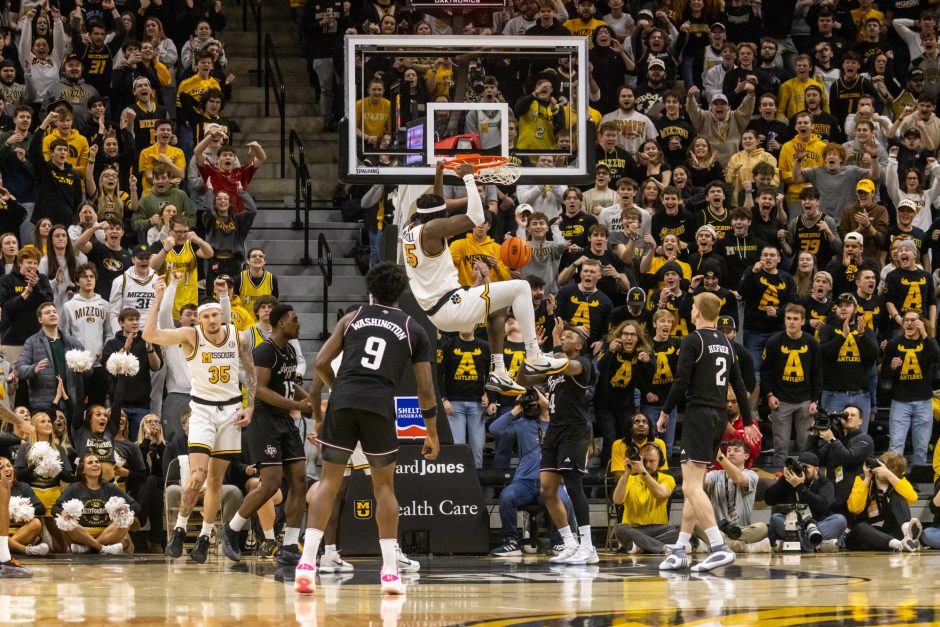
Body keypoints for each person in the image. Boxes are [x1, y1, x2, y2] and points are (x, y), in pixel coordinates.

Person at [294, 262, 439, 595]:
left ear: (371, 290)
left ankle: (306, 562)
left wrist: (339, 387)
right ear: (401, 291)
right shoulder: (413, 328)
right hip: (378, 404)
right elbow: (426, 391)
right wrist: (430, 431)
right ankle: (389, 571)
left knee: (329, 483)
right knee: (383, 488)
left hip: (344, 400)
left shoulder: (352, 317)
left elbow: (319, 364)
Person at [401, 161, 568, 396]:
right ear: (437, 219)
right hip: (452, 304)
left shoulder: (410, 228)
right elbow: (478, 217)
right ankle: (533, 356)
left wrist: (439, 175)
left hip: (439, 311)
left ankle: (499, 372)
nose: (446, 216)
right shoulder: (432, 230)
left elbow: (436, 206)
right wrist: (469, 178)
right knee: (521, 287)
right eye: (443, 215)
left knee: (498, 310)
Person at [142, 275, 256, 564]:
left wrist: (250, 406)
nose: (211, 319)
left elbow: (251, 371)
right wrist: (158, 297)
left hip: (230, 411)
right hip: (202, 410)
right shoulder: (190, 336)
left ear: (222, 314)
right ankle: (179, 528)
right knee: (197, 477)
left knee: (217, 480)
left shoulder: (237, 336)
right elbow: (149, 335)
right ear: (199, 321)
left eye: (216, 314)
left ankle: (204, 536)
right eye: (205, 316)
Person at [657, 292, 757, 572]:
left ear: (698, 311)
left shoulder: (693, 340)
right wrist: (748, 421)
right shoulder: (727, 342)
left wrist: (666, 411)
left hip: (700, 415)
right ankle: (680, 547)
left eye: (692, 307)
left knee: (689, 485)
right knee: (696, 485)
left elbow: (680, 381)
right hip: (718, 416)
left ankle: (718, 546)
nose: (690, 310)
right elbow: (739, 386)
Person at [219, 304, 312, 563]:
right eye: (294, 319)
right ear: (281, 322)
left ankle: (291, 545)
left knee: (300, 480)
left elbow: (289, 385)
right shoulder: (264, 351)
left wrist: (311, 403)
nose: (299, 323)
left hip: (284, 421)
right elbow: (258, 389)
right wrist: (297, 406)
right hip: (264, 422)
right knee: (270, 483)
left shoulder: (290, 351)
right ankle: (231, 529)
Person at [488, 388, 576, 556]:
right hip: (524, 482)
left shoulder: (559, 424)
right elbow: (495, 429)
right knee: (506, 497)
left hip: (551, 481)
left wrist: (542, 399)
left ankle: (559, 542)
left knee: (564, 502)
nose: (538, 399)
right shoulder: (521, 424)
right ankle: (511, 542)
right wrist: (518, 408)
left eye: (543, 396)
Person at [760, 304, 822, 466]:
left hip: (805, 399)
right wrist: (769, 395)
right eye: (788, 318)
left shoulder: (812, 343)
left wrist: (815, 400)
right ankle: (778, 479)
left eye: (795, 319)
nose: (791, 322)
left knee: (805, 445)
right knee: (780, 446)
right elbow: (765, 371)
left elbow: (817, 373)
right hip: (781, 399)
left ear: (803, 321)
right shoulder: (774, 342)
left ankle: (805, 479)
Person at [52, 454, 141, 555]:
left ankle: (89, 548)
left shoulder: (110, 488)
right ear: (83, 470)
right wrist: (62, 512)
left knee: (126, 522)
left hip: (106, 532)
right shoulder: (74, 488)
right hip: (82, 533)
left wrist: (123, 510)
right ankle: (101, 548)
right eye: (90, 462)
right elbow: (55, 508)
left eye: (97, 462)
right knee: (66, 522)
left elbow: (136, 507)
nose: (95, 464)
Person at [882, 311, 940, 466]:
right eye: (906, 320)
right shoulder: (894, 344)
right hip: (900, 401)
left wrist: (925, 334)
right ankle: (894, 482)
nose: (908, 323)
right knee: (896, 445)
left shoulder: (927, 343)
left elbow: (937, 357)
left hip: (924, 402)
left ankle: (918, 483)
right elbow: (885, 375)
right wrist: (891, 368)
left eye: (913, 320)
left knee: (921, 447)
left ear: (920, 323)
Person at [763, 451, 847, 552]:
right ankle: (815, 544)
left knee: (840, 520)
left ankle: (800, 543)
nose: (802, 470)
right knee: (775, 518)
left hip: (818, 525)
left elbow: (822, 506)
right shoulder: (789, 481)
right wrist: (783, 479)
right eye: (800, 467)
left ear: (816, 469)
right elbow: (768, 500)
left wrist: (800, 487)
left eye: (806, 467)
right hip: (794, 525)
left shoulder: (825, 483)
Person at [16, 302, 84, 416]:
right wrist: (34, 369)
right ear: (40, 319)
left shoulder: (72, 342)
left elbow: (89, 370)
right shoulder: (31, 342)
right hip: (44, 405)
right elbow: (20, 369)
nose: (52, 314)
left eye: (54, 312)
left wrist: (83, 366)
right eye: (47, 313)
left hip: (71, 402)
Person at [806, 403, 874, 516]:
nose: (849, 417)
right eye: (846, 415)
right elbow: (811, 460)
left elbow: (849, 458)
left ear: (860, 421)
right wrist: (813, 436)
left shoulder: (865, 439)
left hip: (853, 502)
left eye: (853, 415)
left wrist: (832, 440)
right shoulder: (837, 441)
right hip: (833, 500)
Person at [846, 452, 921, 552]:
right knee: (860, 528)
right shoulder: (862, 478)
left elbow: (913, 498)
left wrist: (890, 476)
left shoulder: (898, 480)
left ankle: (907, 532)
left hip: (889, 531)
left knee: (898, 496)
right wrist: (867, 479)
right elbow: (854, 508)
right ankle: (901, 545)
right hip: (866, 532)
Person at [612, 442, 676, 553]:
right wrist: (626, 473)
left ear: (660, 462)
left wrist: (642, 471)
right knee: (620, 529)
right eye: (644, 461)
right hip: (635, 529)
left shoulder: (667, 478)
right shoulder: (629, 479)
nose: (647, 465)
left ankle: (639, 546)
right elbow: (617, 500)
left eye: (652, 461)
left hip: (660, 529)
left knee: (680, 531)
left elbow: (661, 493)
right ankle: (662, 548)